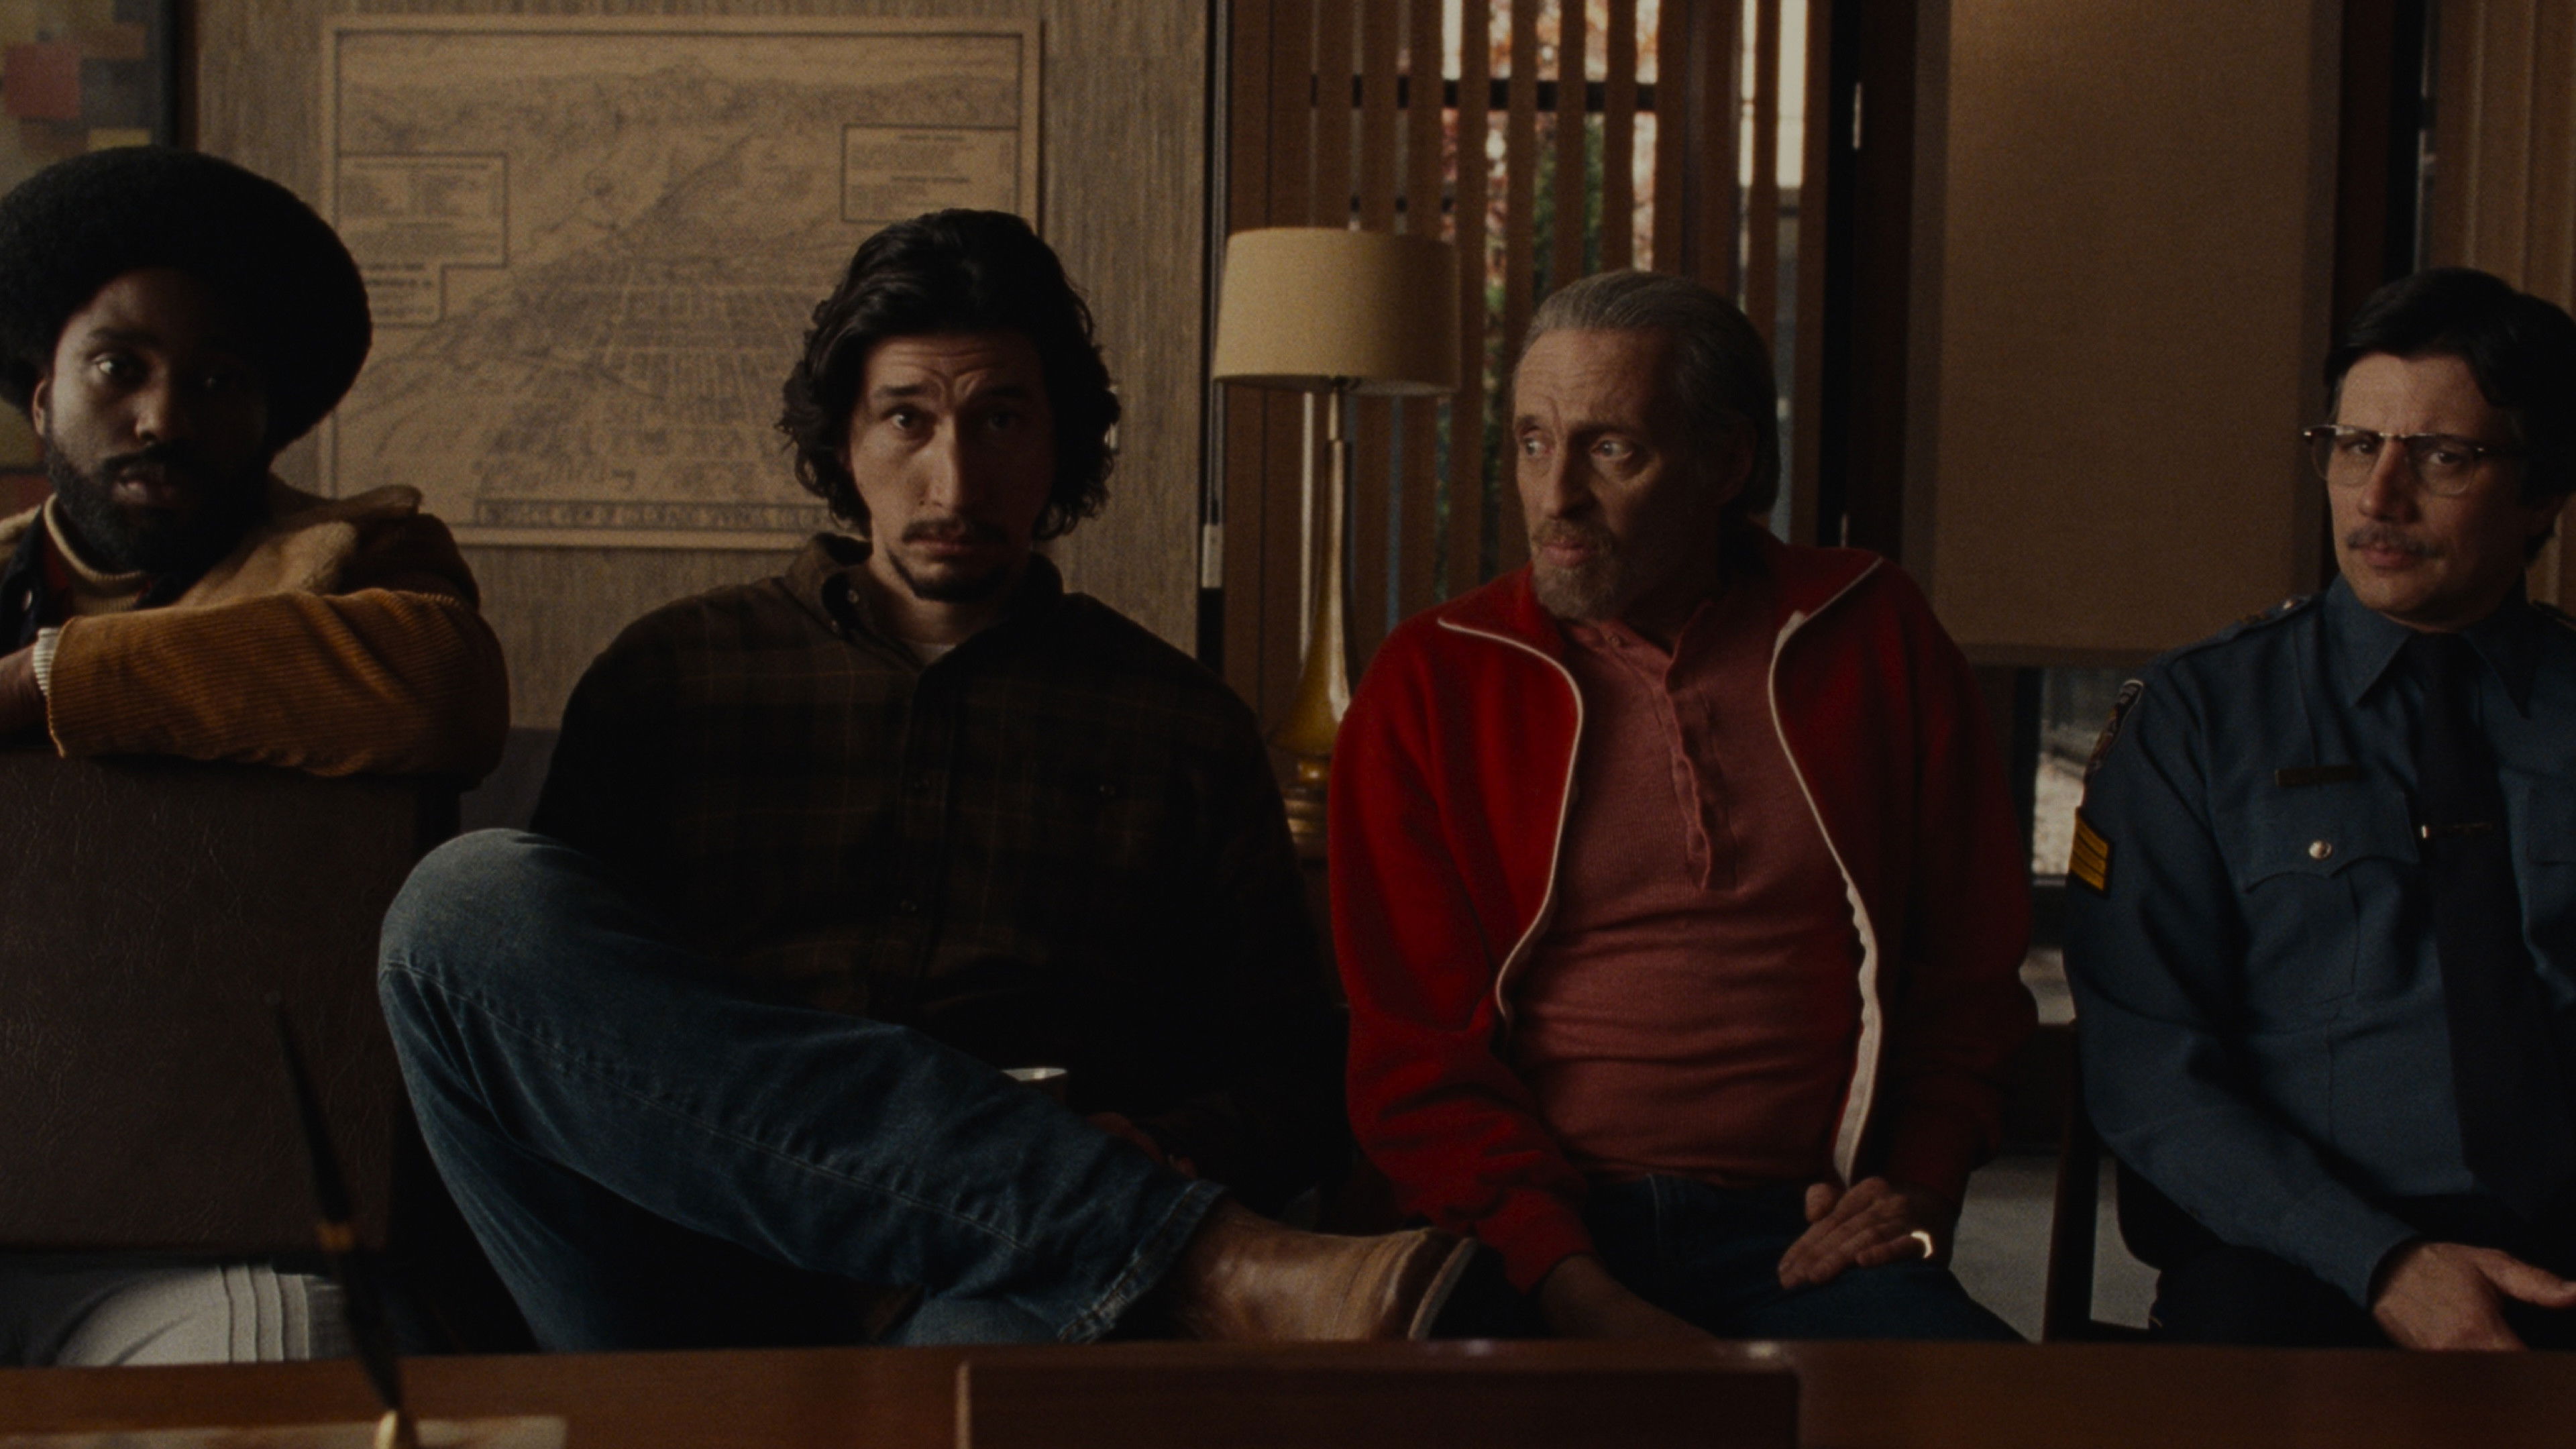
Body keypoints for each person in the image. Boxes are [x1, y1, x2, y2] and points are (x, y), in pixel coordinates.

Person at [378, 209, 1472, 1350]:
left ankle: (1096, 1223)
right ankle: (1169, 1245)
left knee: (1006, 1378)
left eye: (1001, 419)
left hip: (998, 1289)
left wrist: (1169, 1145)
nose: (955, 480)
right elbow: (561, 1030)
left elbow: (1293, 1072)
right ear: (845, 440)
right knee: (462, 903)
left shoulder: (1177, 724)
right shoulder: (670, 677)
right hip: (678, 1258)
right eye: (908, 418)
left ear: (1061, 442)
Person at [1330, 269, 2036, 1340]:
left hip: (1803, 1237)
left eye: (1612, 450)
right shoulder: (1432, 680)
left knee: (1998, 1409)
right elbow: (1415, 1059)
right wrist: (1573, 1286)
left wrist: (1920, 1196)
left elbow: (1968, 976)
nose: (1555, 496)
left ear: (1728, 463)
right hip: (1524, 1237)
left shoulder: (1871, 631)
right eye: (1532, 443)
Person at [0, 146, 508, 1364]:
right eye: (119, 367)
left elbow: (442, 688)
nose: (164, 418)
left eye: (219, 380)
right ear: (42, 393)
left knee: (281, 1352)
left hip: (212, 1233)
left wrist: (42, 680)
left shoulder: (364, 562)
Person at [2069, 267, 2576, 1350]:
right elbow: (2146, 1069)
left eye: (2441, 457)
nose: (2379, 498)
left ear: (2543, 492)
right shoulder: (2203, 718)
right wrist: (2380, 1261)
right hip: (2301, 1256)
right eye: (2354, 446)